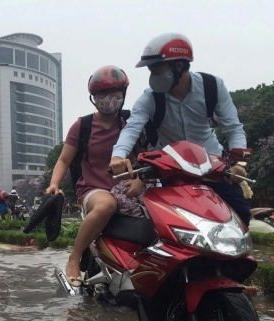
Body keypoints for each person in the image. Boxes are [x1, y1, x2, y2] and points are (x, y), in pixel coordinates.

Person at [109, 32, 251, 225]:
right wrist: (118, 155)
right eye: (150, 69)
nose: (152, 75)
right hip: (172, 170)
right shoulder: (150, 97)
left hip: (213, 165)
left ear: (179, 65)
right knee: (175, 224)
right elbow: (132, 128)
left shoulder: (212, 87)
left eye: (157, 68)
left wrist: (239, 165)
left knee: (241, 215)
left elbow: (234, 128)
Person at [46, 65, 143, 287]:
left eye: (115, 93)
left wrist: (140, 179)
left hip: (130, 187)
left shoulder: (132, 122)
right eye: (102, 94)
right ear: (94, 97)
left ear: (123, 95)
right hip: (94, 189)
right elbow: (63, 160)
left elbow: (145, 156)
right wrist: (54, 184)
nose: (109, 99)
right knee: (107, 205)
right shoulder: (83, 125)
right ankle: (75, 257)